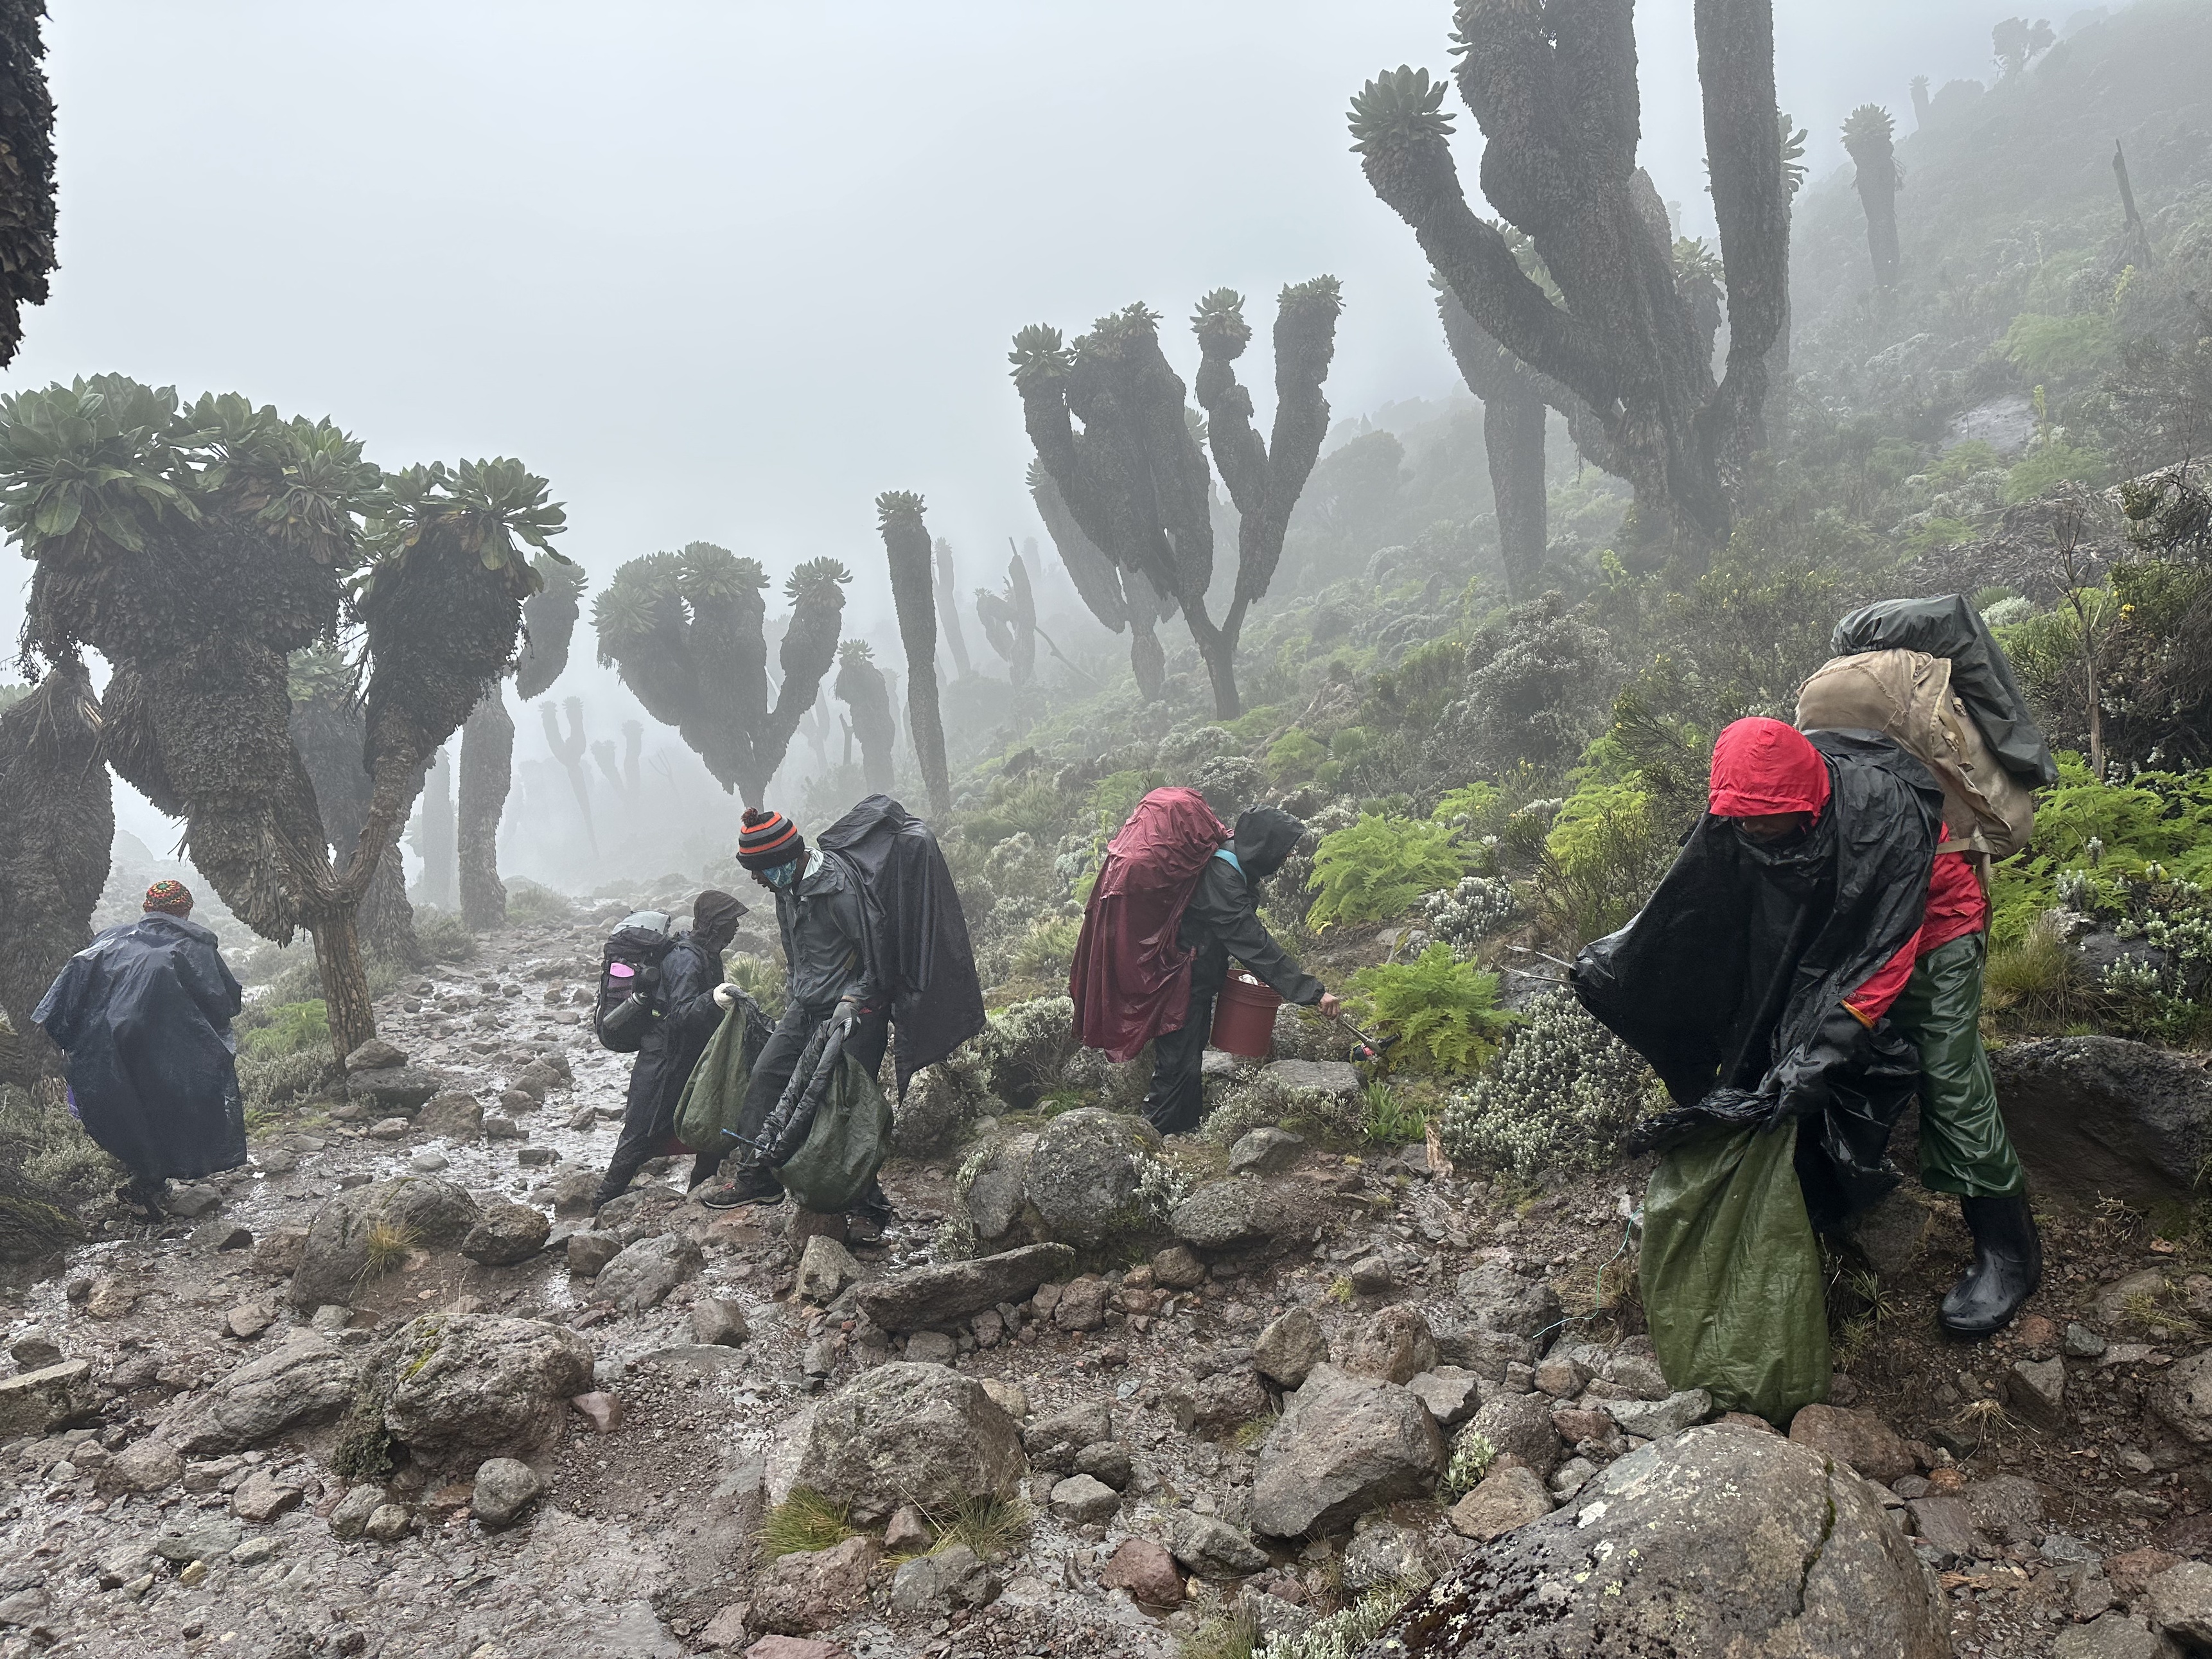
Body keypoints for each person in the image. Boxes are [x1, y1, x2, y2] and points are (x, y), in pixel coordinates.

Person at [1809, 745, 2037, 1337]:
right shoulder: (1765, 817)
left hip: (1938, 924)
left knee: (1949, 1076)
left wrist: (1854, 1012)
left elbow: (1896, 932)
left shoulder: (1874, 814)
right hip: (1872, 938)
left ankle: (2011, 1253)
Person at [703, 807, 893, 1224]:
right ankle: (761, 1176)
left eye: (760, 870)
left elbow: (878, 961)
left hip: (854, 1013)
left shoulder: (841, 890)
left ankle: (870, 1210)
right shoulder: (785, 890)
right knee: (767, 1075)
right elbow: (795, 957)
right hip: (806, 1008)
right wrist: (796, 997)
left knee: (844, 1106)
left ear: (784, 860)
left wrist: (852, 1000)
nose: (757, 879)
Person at [33, 880, 247, 1218]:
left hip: (104, 1051)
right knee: (170, 1106)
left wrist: (80, 1042)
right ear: (185, 910)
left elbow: (65, 998)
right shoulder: (192, 945)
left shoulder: (109, 940)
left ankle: (148, 1181)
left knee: (131, 1110)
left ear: (147, 910)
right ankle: (153, 1181)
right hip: (161, 1050)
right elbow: (221, 1002)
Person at [1143, 806, 1340, 1135]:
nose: (1288, 857)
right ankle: (1150, 1138)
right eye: (1284, 850)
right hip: (1179, 979)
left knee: (1189, 1056)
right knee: (1177, 1061)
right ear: (1265, 845)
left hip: (1194, 975)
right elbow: (1251, 941)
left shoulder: (1236, 861)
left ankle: (1185, 1129)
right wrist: (1311, 992)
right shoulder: (1222, 876)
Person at [592, 888, 748, 1211]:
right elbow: (680, 1015)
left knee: (711, 1122)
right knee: (639, 1135)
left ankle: (696, 1196)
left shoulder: (707, 954)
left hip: (690, 1060)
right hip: (663, 1061)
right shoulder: (685, 958)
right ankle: (600, 1204)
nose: (736, 929)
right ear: (715, 924)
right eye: (731, 923)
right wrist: (714, 999)